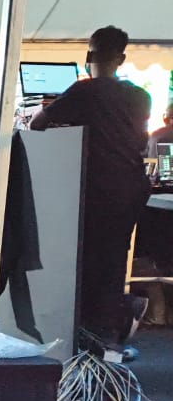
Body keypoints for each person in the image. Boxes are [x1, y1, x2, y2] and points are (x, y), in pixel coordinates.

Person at [31, 25, 151, 357]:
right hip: (129, 187)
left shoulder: (84, 91)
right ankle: (110, 331)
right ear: (121, 58)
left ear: (88, 55)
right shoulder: (140, 96)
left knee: (87, 260)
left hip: (95, 188)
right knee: (113, 260)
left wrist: (52, 111)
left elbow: (37, 124)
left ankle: (85, 334)